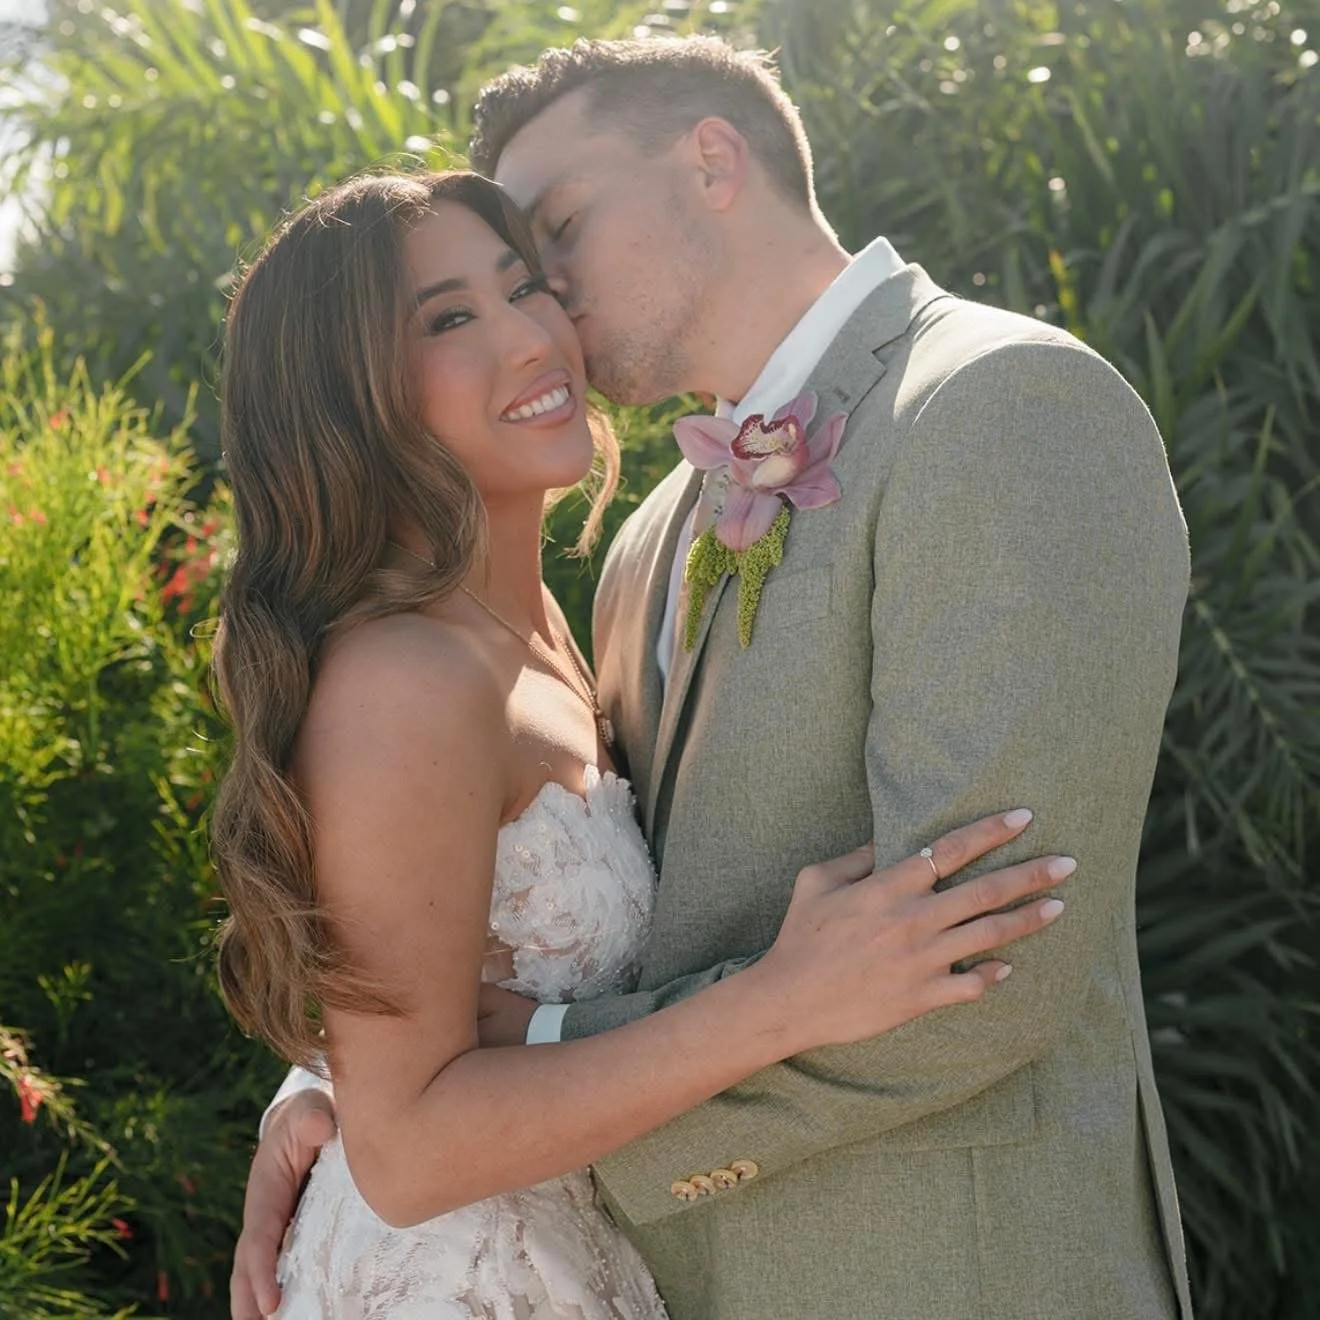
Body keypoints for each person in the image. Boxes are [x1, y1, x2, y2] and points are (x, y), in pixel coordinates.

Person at [231, 35, 1194, 1320]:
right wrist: (360, 1087)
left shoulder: (1004, 409)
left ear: (712, 158)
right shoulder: (649, 541)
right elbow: (486, 911)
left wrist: (505, 1109)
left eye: (552, 242)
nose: (549, 305)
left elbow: (982, 969)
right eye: (488, 293)